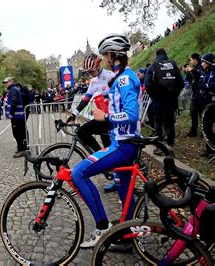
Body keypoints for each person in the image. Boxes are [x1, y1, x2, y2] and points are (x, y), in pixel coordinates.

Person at [72, 34, 141, 248]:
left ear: (111, 55)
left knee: (78, 173)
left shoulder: (124, 79)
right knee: (124, 193)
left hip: (123, 145)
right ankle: (128, 237)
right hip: (122, 142)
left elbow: (132, 114)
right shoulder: (121, 77)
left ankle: (102, 226)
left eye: (104, 55)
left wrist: (106, 117)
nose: (104, 58)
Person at [66, 53, 115, 193]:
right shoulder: (93, 82)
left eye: (92, 71)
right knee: (82, 132)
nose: (91, 74)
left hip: (110, 117)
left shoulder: (111, 76)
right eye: (88, 72)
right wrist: (74, 114)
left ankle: (116, 177)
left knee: (110, 147)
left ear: (98, 65)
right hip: (101, 117)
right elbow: (86, 99)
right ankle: (101, 156)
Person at [144, 48, 184, 155]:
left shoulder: (153, 66)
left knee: (158, 122)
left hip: (158, 100)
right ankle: (170, 146)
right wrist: (174, 94)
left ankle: (159, 146)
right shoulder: (172, 64)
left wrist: (153, 95)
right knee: (170, 123)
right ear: (165, 54)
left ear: (156, 55)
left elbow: (147, 83)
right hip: (171, 100)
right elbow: (181, 82)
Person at [4, 77, 28, 157]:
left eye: (6, 82)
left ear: (11, 81)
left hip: (16, 116)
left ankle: (22, 150)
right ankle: (23, 148)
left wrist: (11, 113)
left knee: (17, 133)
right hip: (18, 115)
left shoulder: (13, 90)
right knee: (20, 132)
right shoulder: (14, 89)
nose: (5, 84)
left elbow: (14, 101)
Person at [198, 53, 214, 157]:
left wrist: (207, 87)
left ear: (208, 63)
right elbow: (200, 84)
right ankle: (209, 148)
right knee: (206, 126)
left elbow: (211, 85)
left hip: (212, 102)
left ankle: (213, 149)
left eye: (203, 62)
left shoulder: (213, 71)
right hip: (205, 102)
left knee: (212, 126)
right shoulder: (204, 72)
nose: (202, 64)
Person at [186, 53, 203, 137]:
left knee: (201, 113)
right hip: (194, 93)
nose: (190, 61)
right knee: (193, 113)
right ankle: (193, 131)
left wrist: (192, 70)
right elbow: (191, 80)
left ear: (195, 59)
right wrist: (187, 73)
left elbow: (199, 76)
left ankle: (204, 131)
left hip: (200, 94)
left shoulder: (200, 67)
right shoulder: (195, 68)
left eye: (191, 59)